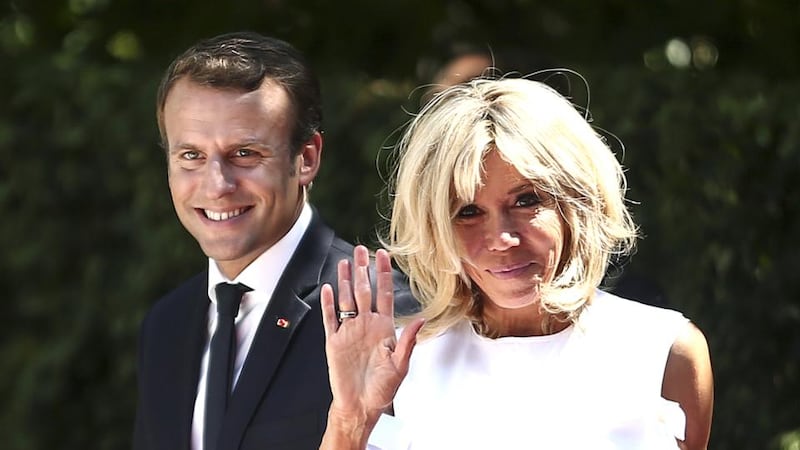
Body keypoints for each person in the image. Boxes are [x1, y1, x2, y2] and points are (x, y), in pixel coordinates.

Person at [319, 77, 714, 449]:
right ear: (436, 228)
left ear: (578, 202)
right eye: (468, 211)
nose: (502, 239)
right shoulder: (404, 363)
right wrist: (350, 420)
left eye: (527, 201)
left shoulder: (662, 349)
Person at [133, 31, 416, 450]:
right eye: (191, 155)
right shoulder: (166, 323)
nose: (217, 185)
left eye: (245, 153)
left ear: (307, 159)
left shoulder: (383, 308)